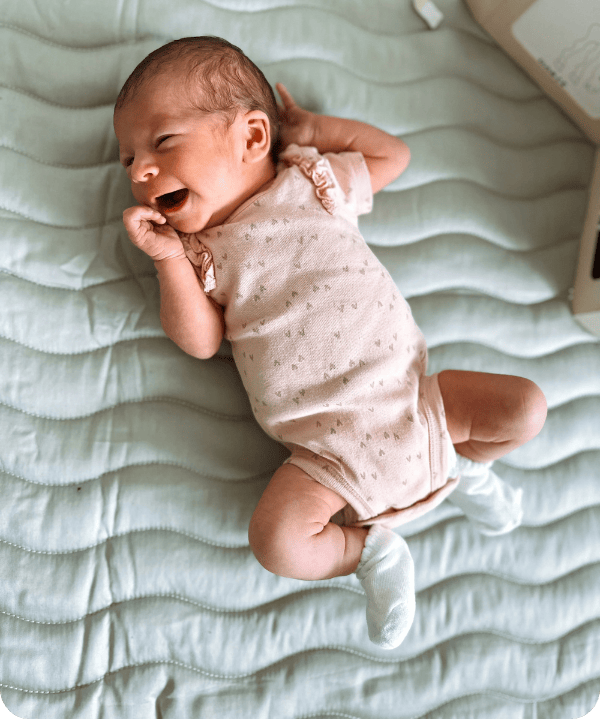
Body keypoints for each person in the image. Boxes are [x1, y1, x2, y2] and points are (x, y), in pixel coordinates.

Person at [114, 36, 548, 649]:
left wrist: (315, 128)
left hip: (418, 403)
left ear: (254, 137)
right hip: (324, 452)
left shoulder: (312, 182)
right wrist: (165, 260)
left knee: (526, 405)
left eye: (161, 143)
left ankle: (469, 468)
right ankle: (370, 553)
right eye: (126, 159)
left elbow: (392, 156)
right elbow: (201, 342)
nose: (139, 171)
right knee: (276, 543)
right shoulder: (199, 253)